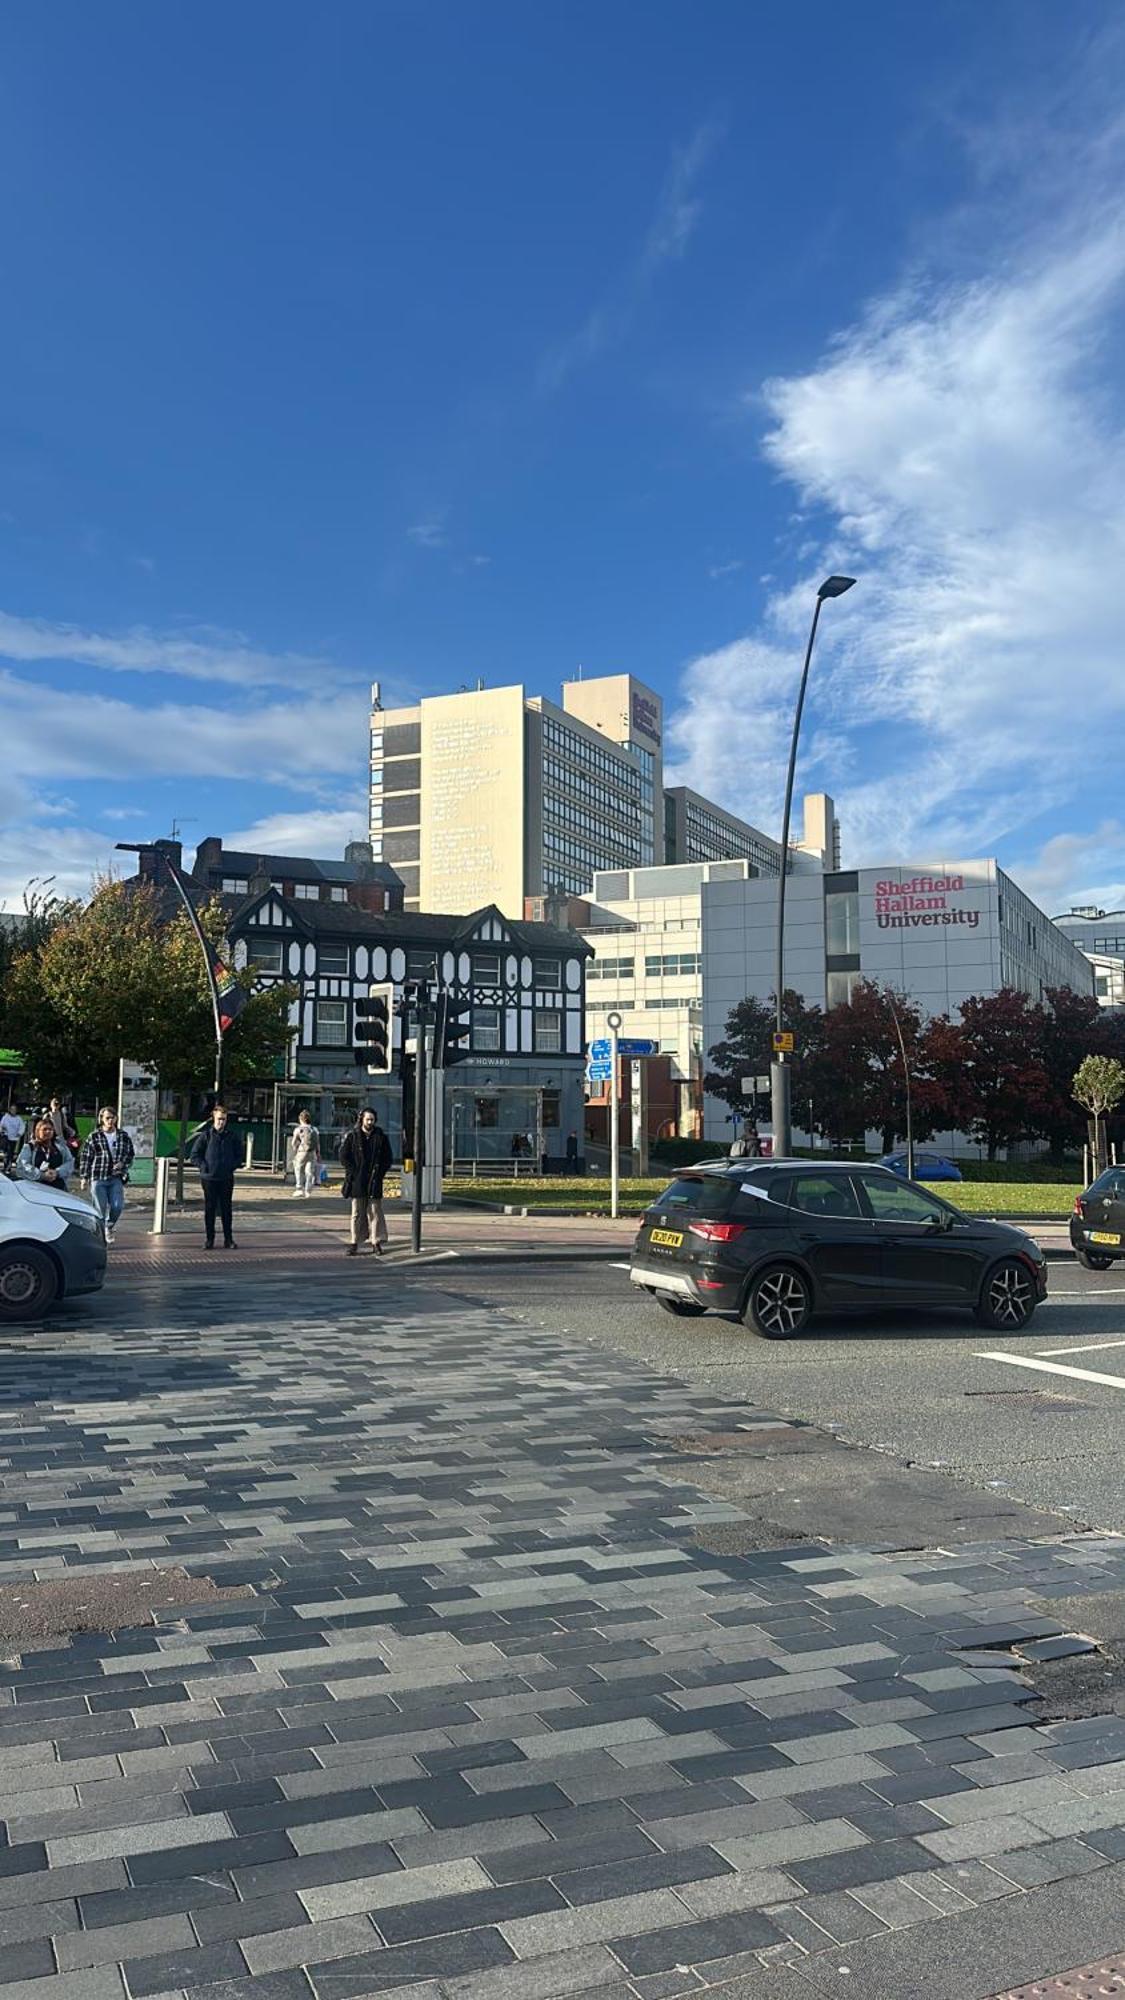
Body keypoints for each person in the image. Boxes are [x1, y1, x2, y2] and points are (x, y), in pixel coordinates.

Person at [339, 1107, 392, 1256]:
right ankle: (354, 1242)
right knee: (357, 1212)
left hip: (374, 1180)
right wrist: (354, 1172)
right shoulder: (353, 1136)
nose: (370, 1122)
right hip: (358, 1180)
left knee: (375, 1212)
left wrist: (380, 1173)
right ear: (361, 1119)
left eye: (372, 1119)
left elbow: (387, 1158)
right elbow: (343, 1156)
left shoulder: (380, 1137)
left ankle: (376, 1242)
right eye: (367, 1119)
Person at [79, 1106, 135, 1244]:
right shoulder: (94, 1136)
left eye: (112, 1117)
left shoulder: (123, 1136)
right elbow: (86, 1156)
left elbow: (130, 1153)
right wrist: (84, 1177)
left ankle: (108, 1226)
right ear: (101, 1119)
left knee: (117, 1206)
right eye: (107, 1118)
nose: (110, 1120)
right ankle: (99, 1234)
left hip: (116, 1177)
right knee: (100, 1208)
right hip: (98, 1176)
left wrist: (123, 1163)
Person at [189, 1104, 242, 1249]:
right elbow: (194, 1155)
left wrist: (232, 1166)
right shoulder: (205, 1136)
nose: (221, 1122)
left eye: (224, 1119)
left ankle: (228, 1239)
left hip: (226, 1178)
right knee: (210, 1209)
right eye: (219, 1119)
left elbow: (239, 1156)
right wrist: (203, 1166)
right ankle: (209, 1239)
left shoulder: (232, 1137)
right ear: (214, 1118)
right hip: (209, 1179)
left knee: (226, 1209)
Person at [18, 1116, 74, 1186]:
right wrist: (42, 1175)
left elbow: (70, 1162)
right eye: (44, 1129)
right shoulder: (29, 1147)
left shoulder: (61, 1147)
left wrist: (57, 1172)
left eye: (50, 1129)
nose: (48, 1132)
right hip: (36, 1188)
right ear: (38, 1131)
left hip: (58, 1188)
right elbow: (22, 1166)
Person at [290, 1108, 321, 1198]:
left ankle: (299, 1188)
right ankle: (308, 1190)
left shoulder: (298, 1129)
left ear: (300, 1119)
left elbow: (293, 1143)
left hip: (302, 1152)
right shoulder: (314, 1129)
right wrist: (318, 1153)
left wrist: (296, 1150)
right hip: (312, 1152)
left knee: (298, 1169)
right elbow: (318, 1143)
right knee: (309, 1172)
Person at [0, 1102, 26, 1174]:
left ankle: (8, 1167)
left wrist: (19, 1133)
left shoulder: (19, 1119)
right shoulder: (6, 1117)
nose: (13, 1111)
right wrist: (2, 1130)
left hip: (14, 1138)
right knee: (6, 1152)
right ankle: (5, 1166)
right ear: (10, 1110)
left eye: (14, 1109)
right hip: (6, 1137)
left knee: (10, 1153)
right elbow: (1, 1125)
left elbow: (22, 1127)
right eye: (12, 1109)